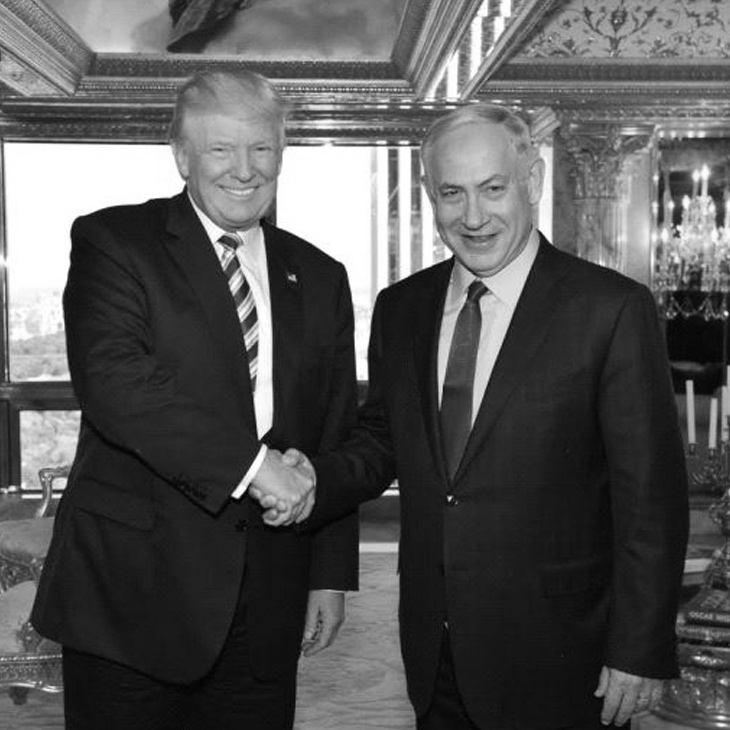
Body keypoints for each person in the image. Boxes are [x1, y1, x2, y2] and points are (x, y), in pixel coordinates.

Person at [261, 104, 689, 730]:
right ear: (429, 194)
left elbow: (651, 498)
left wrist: (641, 649)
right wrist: (313, 479)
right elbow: (382, 439)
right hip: (436, 648)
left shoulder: (610, 309)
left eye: (493, 188)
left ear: (532, 181)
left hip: (566, 651)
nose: (473, 216)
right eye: (451, 193)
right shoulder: (401, 308)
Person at [31, 69, 359, 730]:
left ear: (281, 155)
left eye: (261, 148)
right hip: (131, 598)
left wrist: (328, 573)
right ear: (182, 156)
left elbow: (331, 428)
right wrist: (255, 468)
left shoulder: (321, 275)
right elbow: (118, 385)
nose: (244, 169)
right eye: (221, 149)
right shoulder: (115, 242)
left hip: (266, 599)